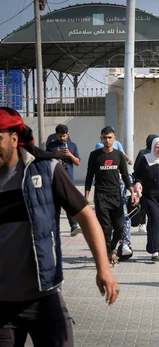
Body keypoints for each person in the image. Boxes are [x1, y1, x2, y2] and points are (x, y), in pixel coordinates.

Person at [0, 107, 119, 346]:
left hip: (43, 299)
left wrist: (103, 267)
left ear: (14, 138)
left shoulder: (46, 170)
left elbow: (86, 216)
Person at [85, 126, 136, 264]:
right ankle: (108, 254)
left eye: (109, 138)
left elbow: (125, 175)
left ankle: (112, 248)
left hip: (116, 196)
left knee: (119, 227)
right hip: (101, 197)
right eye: (104, 138)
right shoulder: (94, 155)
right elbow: (89, 176)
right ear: (100, 139)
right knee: (106, 228)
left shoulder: (119, 156)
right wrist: (86, 196)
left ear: (114, 139)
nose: (107, 140)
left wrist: (132, 192)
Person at [46, 123, 82, 236]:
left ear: (67, 135)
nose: (62, 138)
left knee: (69, 203)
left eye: (64, 136)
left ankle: (73, 226)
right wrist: (56, 154)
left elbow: (77, 162)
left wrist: (70, 155)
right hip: (54, 179)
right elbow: (45, 161)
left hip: (68, 179)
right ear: (56, 135)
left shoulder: (73, 146)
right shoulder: (51, 146)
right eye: (60, 136)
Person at [133, 134, 159, 233]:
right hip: (144, 183)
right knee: (144, 204)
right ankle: (143, 223)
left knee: (147, 205)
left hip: (150, 184)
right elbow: (137, 167)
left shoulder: (154, 153)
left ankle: (145, 224)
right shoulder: (143, 153)